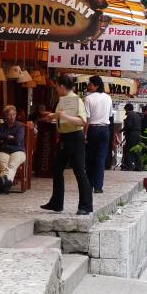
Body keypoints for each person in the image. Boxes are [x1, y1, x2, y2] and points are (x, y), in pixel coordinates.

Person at [41, 74, 93, 215]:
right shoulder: (62, 100)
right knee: (57, 169)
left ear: (62, 86)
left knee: (79, 171)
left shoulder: (77, 101)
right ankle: (56, 202)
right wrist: (53, 116)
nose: (56, 89)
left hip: (75, 138)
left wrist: (63, 116)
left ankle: (86, 205)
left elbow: (82, 121)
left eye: (56, 86)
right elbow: (61, 116)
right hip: (64, 137)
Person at [83, 76, 113, 194]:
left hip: (93, 130)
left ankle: (89, 184)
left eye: (90, 84)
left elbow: (87, 119)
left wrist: (85, 133)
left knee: (90, 158)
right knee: (101, 158)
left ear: (96, 86)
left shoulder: (88, 98)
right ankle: (99, 186)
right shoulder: (108, 98)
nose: (89, 86)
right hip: (105, 130)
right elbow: (110, 115)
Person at [0, 105, 26, 194]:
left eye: (14, 114)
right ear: (5, 116)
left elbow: (18, 140)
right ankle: (6, 184)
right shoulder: (1, 126)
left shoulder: (20, 126)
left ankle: (3, 183)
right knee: (3, 167)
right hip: (3, 151)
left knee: (12, 165)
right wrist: (8, 137)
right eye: (9, 115)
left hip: (18, 151)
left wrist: (4, 139)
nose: (12, 117)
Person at [122, 103, 143, 171]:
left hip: (132, 134)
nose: (126, 112)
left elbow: (128, 126)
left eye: (125, 110)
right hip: (138, 134)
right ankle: (138, 167)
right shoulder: (137, 115)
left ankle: (129, 166)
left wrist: (122, 130)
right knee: (137, 151)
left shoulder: (130, 115)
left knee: (129, 150)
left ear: (127, 109)